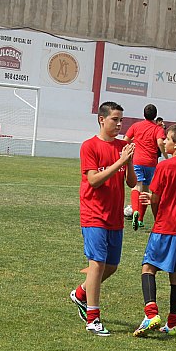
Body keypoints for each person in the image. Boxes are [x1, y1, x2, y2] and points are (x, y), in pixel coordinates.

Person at [70, 101, 136, 336]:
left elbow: (131, 182)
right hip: (93, 213)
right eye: (114, 119)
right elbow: (94, 180)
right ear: (101, 120)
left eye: (121, 120)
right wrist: (119, 161)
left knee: (111, 266)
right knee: (96, 264)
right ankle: (93, 318)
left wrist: (128, 161)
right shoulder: (90, 146)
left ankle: (80, 294)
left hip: (114, 215)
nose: (119, 124)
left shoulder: (123, 146)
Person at [132, 124, 176, 338]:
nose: (164, 142)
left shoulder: (164, 166)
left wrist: (154, 208)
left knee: (148, 268)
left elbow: (158, 198)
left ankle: (151, 314)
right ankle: (173, 323)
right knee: (175, 274)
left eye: (167, 139)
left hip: (166, 226)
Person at [124, 104, 167, 231]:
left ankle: (135, 211)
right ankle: (141, 219)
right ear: (155, 115)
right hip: (151, 163)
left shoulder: (136, 126)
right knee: (146, 190)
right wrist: (166, 156)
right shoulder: (158, 129)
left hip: (137, 160)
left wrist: (128, 150)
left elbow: (126, 139)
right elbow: (160, 142)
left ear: (144, 114)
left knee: (136, 186)